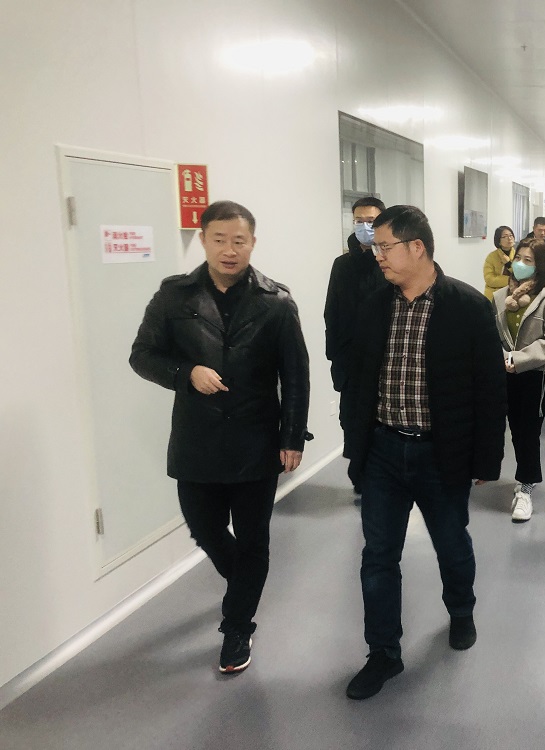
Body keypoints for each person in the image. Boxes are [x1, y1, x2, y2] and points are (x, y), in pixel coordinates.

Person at [130, 200, 310, 675]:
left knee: (253, 541)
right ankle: (246, 583)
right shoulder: (174, 296)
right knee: (204, 528)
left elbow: (295, 375)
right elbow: (142, 355)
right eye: (220, 240)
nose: (230, 250)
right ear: (204, 240)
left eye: (239, 241)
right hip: (197, 440)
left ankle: (237, 626)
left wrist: (292, 437)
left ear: (253, 243)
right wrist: (185, 373)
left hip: (256, 440)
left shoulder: (276, 301)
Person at [342, 205, 507, 700]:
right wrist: (356, 444)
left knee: (451, 543)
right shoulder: (375, 304)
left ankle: (461, 610)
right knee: (378, 556)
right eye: (375, 247)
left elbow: (490, 390)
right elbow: (358, 378)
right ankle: (383, 652)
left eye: (385, 247)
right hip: (383, 451)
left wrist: (486, 459)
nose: (378, 256)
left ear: (417, 247)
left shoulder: (467, 307)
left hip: (442, 453)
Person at [492, 238, 545, 522]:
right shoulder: (501, 297)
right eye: (518, 258)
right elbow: (493, 334)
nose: (521, 264)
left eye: (529, 260)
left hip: (536, 375)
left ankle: (526, 486)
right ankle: (512, 476)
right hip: (505, 372)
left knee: (528, 432)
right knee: (511, 428)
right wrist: (503, 357)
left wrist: (519, 359)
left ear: (540, 265)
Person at [324, 196, 388, 413]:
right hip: (349, 365)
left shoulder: (389, 264)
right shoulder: (342, 265)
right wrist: (335, 357)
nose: (364, 226)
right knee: (351, 422)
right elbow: (331, 313)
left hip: (384, 363)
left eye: (370, 221)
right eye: (359, 221)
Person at [483, 225, 515, 298]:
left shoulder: (518, 254)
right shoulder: (491, 257)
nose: (509, 238)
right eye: (505, 236)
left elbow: (519, 275)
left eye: (511, 235)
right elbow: (489, 279)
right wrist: (510, 280)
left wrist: (509, 264)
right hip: (493, 294)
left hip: (513, 294)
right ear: (499, 241)